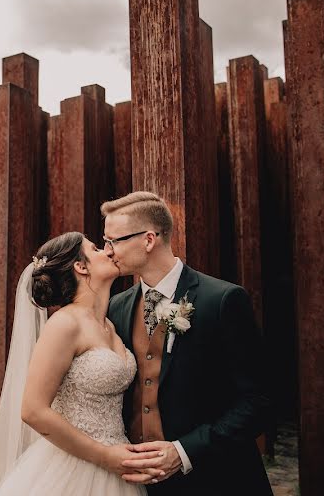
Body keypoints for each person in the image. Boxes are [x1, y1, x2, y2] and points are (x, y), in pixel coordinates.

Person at [103, 191, 273, 495]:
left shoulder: (222, 300)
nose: (107, 251)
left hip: (218, 479)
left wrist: (183, 452)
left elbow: (259, 402)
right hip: (139, 486)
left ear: (149, 239)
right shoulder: (116, 306)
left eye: (113, 241)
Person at [0, 232, 163, 495]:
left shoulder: (110, 325)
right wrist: (104, 456)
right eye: (97, 248)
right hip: (74, 466)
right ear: (81, 266)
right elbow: (33, 410)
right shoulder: (65, 324)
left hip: (120, 462)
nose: (109, 251)